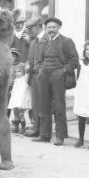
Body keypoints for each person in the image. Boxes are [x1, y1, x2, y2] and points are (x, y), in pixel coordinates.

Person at [33, 17, 79, 146]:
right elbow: (38, 59)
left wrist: (63, 70)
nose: (51, 30)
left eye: (53, 27)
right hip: (44, 75)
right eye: (49, 27)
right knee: (44, 104)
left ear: (59, 28)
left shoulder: (67, 41)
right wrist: (40, 70)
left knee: (59, 105)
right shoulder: (43, 42)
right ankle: (44, 135)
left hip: (58, 75)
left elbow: (74, 60)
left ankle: (60, 136)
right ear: (46, 29)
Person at [24, 16, 49, 137]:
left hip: (44, 76)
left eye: (31, 28)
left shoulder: (48, 39)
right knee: (35, 104)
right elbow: (30, 58)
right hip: (33, 76)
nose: (29, 31)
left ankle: (43, 131)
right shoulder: (33, 42)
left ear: (39, 26)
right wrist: (28, 64)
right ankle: (36, 128)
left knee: (44, 104)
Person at [73, 40, 89, 150]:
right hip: (82, 90)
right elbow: (78, 77)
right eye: (87, 49)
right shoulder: (81, 62)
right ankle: (81, 139)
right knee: (81, 115)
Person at [8, 63, 32, 134]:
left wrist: (27, 69)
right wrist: (12, 91)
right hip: (15, 99)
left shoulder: (24, 78)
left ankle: (23, 127)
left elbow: (27, 73)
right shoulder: (16, 80)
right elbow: (16, 88)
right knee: (16, 114)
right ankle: (16, 127)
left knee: (21, 113)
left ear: (23, 72)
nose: (17, 73)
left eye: (19, 71)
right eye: (16, 72)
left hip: (21, 99)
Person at [7, 48, 20, 119]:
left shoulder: (19, 66)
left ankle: (17, 121)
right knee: (7, 105)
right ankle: (6, 119)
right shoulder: (5, 66)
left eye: (14, 56)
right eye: (10, 56)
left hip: (16, 87)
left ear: (16, 57)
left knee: (16, 105)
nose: (12, 58)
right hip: (7, 87)